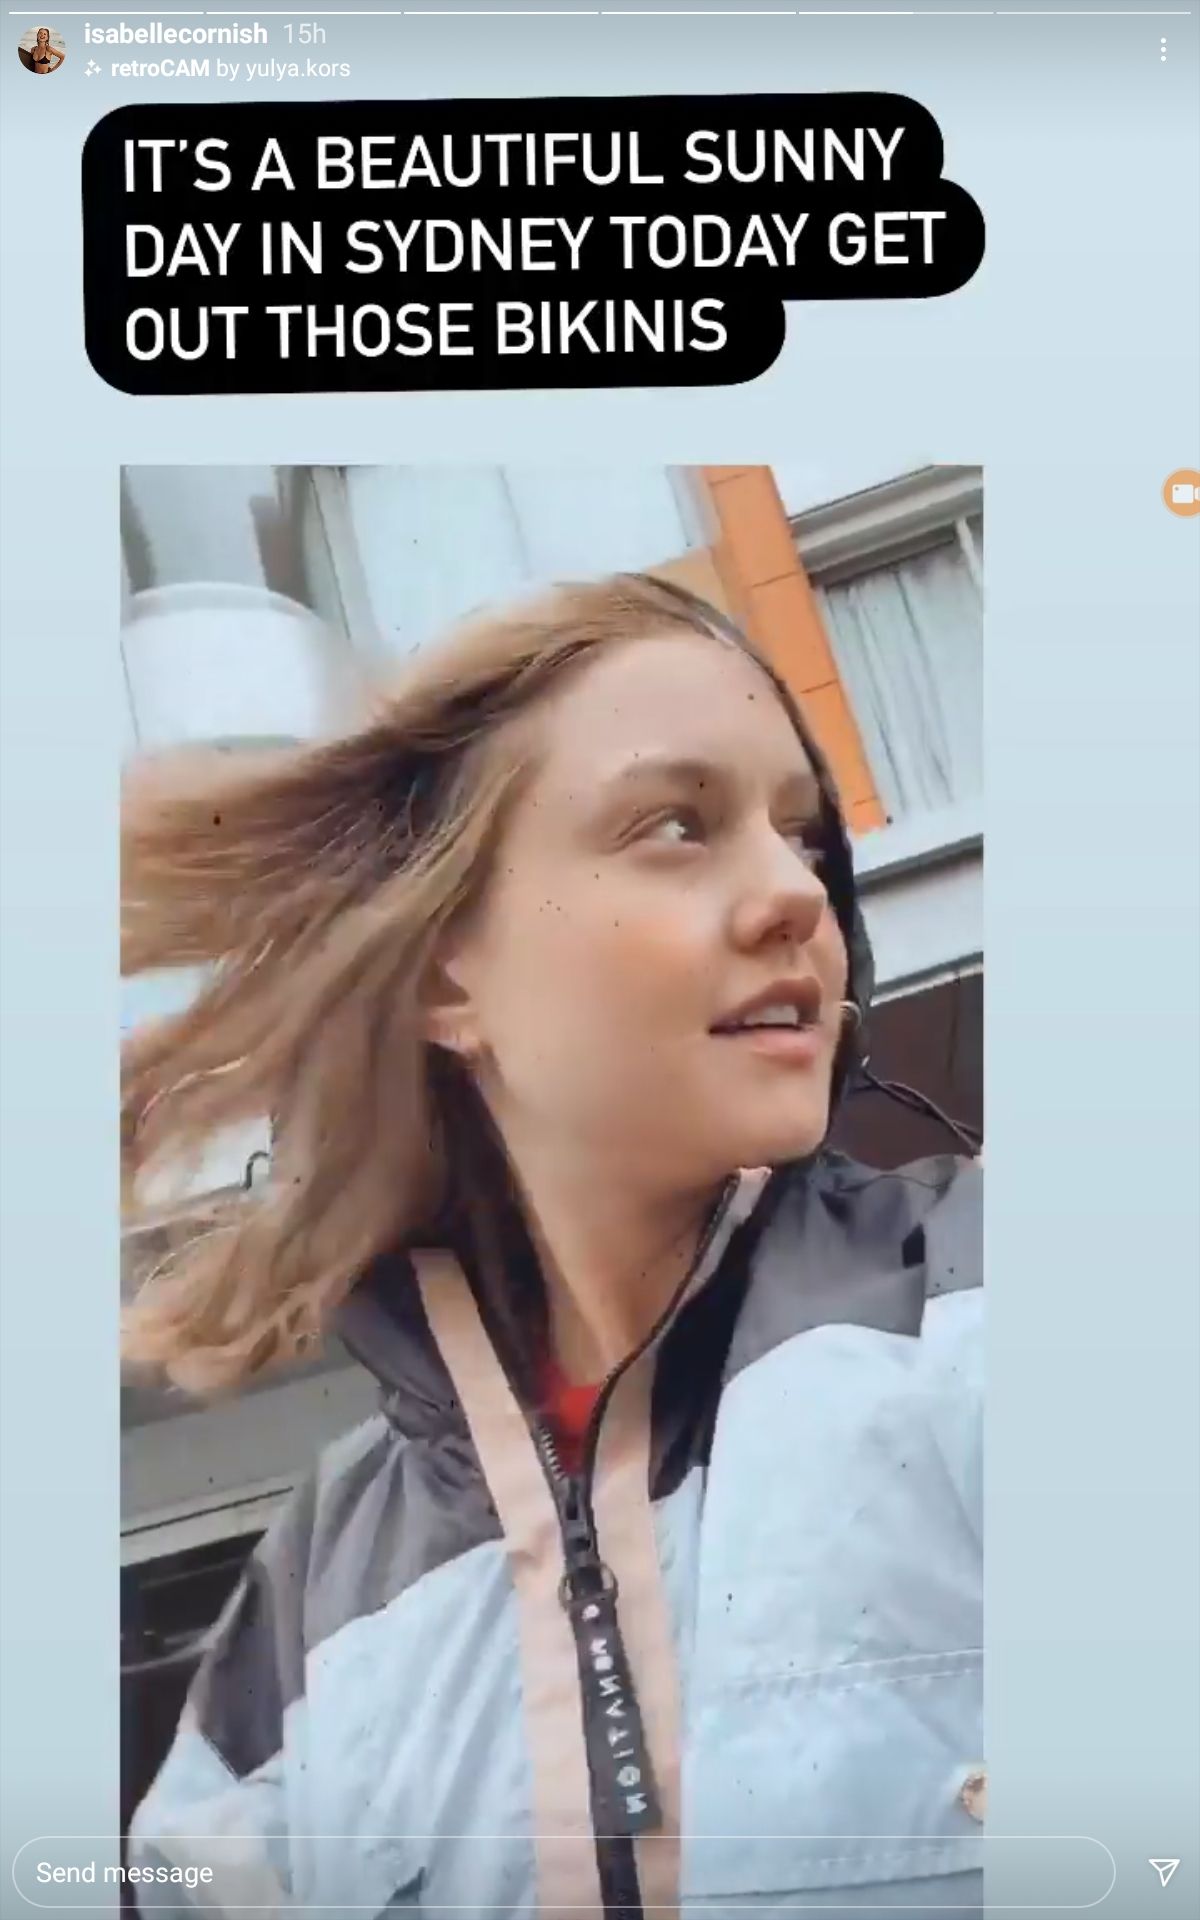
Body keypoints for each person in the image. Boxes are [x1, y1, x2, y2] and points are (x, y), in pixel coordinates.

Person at [122, 574, 983, 1918]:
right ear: (446, 973)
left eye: (804, 837)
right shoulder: (314, 1594)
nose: (792, 896)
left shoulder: (984, 1306)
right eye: (675, 825)